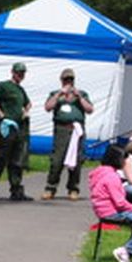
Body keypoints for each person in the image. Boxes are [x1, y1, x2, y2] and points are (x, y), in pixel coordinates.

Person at [88, 145, 132, 262]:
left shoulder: (100, 173)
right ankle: (126, 250)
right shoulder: (112, 177)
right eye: (124, 160)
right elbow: (120, 203)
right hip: (112, 212)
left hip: (102, 210)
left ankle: (128, 253)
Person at [0, 61, 33, 201]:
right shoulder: (5, 86)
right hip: (6, 127)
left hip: (18, 128)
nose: (20, 75)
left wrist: (26, 111)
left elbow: (28, 103)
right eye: (18, 72)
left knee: (16, 160)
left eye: (22, 73)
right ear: (13, 72)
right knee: (1, 158)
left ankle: (16, 190)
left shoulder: (21, 90)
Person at [41, 68, 94, 201]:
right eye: (66, 80)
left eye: (71, 80)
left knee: (76, 160)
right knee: (57, 160)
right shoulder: (55, 94)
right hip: (61, 130)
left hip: (76, 130)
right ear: (61, 80)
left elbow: (90, 109)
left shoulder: (81, 94)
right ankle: (50, 188)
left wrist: (79, 97)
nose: (68, 83)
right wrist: (59, 94)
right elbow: (48, 107)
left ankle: (73, 188)